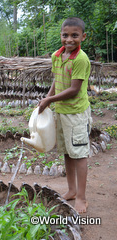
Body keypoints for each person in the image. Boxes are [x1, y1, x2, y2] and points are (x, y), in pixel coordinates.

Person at [38, 17, 92, 213]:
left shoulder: (80, 59)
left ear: (83, 37)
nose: (69, 39)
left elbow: (74, 90)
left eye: (74, 35)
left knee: (79, 154)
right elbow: (57, 80)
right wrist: (47, 98)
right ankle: (71, 190)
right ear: (60, 36)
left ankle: (82, 198)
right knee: (68, 152)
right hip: (61, 111)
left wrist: (50, 101)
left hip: (76, 113)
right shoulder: (57, 56)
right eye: (65, 35)